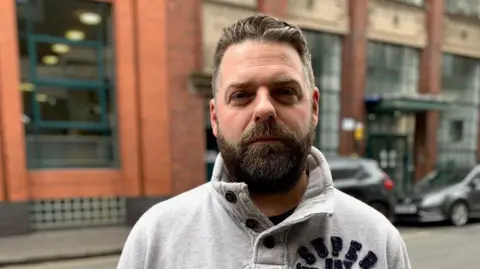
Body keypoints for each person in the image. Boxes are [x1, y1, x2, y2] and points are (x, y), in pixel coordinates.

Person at [117, 15, 411, 269]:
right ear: (215, 117)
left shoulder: (377, 239)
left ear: (314, 108)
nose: (264, 109)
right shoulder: (155, 238)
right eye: (241, 95)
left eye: (285, 91)